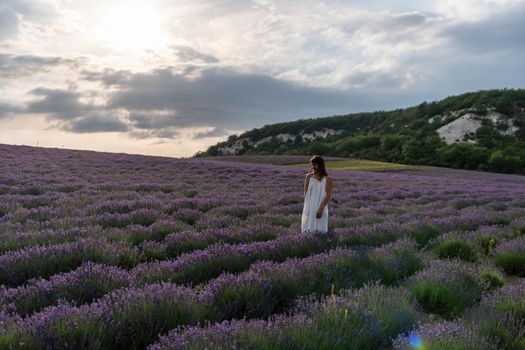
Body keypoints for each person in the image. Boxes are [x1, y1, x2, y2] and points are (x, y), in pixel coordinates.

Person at [301, 155, 333, 234]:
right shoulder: (308, 176)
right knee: (309, 229)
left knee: (321, 229)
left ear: (320, 165)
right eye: (312, 165)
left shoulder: (328, 179)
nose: (313, 167)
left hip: (322, 206)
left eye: (315, 165)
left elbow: (328, 195)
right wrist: (307, 209)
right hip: (310, 207)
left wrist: (321, 208)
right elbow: (306, 193)